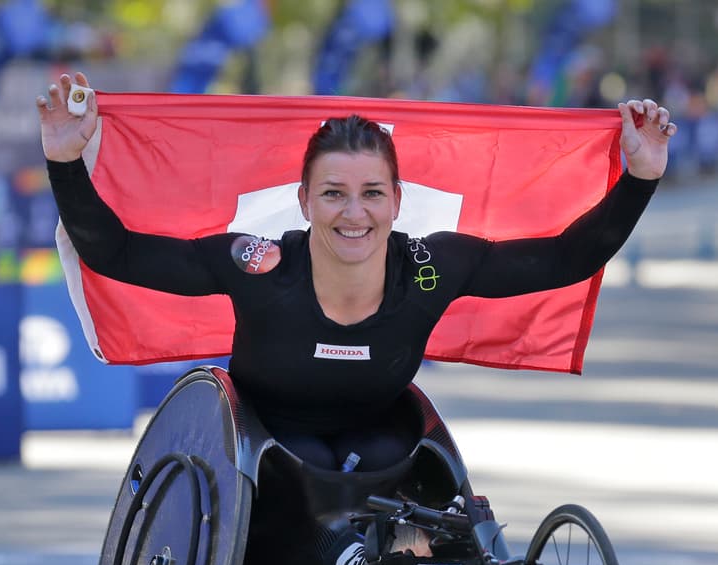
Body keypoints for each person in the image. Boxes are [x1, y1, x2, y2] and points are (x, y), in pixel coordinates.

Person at [39, 70, 674, 475]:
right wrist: (67, 162)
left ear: (398, 201)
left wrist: (640, 176)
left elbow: (566, 259)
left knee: (383, 462)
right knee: (307, 461)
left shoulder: (430, 268)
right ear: (305, 201)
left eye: (372, 194)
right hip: (262, 446)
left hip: (378, 443)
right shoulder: (259, 264)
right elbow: (115, 254)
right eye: (334, 194)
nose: (354, 213)